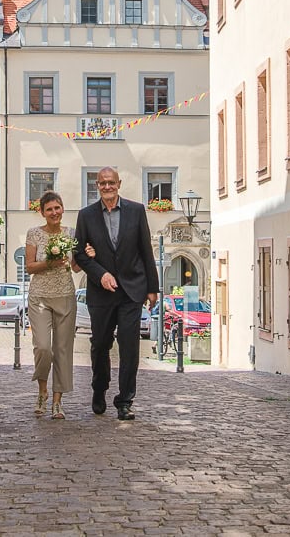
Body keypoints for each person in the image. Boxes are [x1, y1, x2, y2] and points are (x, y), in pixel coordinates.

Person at [74, 167, 159, 421]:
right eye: (102, 183)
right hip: (101, 293)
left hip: (131, 290)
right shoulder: (86, 216)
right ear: (97, 186)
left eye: (111, 182)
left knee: (130, 345)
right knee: (100, 344)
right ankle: (99, 388)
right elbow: (79, 255)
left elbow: (146, 250)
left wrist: (152, 288)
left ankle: (125, 401)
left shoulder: (136, 211)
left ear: (119, 184)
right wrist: (100, 274)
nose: (107, 187)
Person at [25, 191, 81, 420]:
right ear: (42, 212)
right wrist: (50, 262)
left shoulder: (71, 234)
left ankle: (58, 401)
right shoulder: (34, 234)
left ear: (62, 209)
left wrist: (88, 256)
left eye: (57, 208)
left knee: (63, 350)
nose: (54, 212)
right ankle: (42, 391)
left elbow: (75, 267)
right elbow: (29, 267)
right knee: (43, 347)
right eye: (49, 209)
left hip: (65, 295)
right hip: (39, 297)